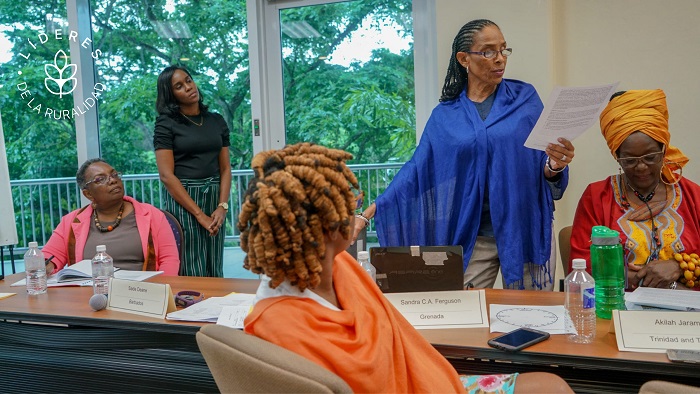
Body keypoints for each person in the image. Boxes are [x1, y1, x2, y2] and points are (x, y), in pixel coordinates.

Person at [239, 142, 573, 393]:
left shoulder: (339, 265)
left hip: (423, 382)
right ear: (330, 227)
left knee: (552, 385)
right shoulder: (278, 323)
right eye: (347, 203)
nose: (357, 208)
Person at [352, 19, 575, 290]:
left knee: (532, 319)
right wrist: (367, 214)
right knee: (465, 314)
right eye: (489, 51)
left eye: (504, 50)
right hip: (472, 235)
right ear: (464, 58)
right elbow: (417, 170)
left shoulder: (525, 98)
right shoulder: (445, 116)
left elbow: (543, 163)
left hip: (524, 228)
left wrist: (555, 165)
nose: (500, 59)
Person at [571, 89, 700, 290]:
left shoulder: (694, 196)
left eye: (650, 157)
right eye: (629, 160)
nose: (641, 167)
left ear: (663, 150)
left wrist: (679, 267)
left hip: (687, 316)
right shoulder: (597, 197)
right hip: (617, 309)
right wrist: (630, 276)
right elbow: (582, 263)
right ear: (617, 156)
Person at [154, 65, 232, 277]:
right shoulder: (166, 123)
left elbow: (225, 168)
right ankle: (192, 308)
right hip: (184, 198)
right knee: (191, 263)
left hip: (214, 195)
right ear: (171, 95)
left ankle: (218, 307)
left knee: (214, 262)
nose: (188, 87)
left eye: (188, 80)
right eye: (179, 86)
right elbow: (166, 176)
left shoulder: (216, 120)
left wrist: (222, 207)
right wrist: (199, 215)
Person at [42, 158, 180, 275]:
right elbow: (51, 257)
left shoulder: (152, 215)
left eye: (114, 175)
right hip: (89, 295)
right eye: (100, 179)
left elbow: (169, 260)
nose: (112, 180)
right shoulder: (71, 221)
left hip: (139, 295)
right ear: (88, 194)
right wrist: (45, 266)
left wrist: (160, 290)